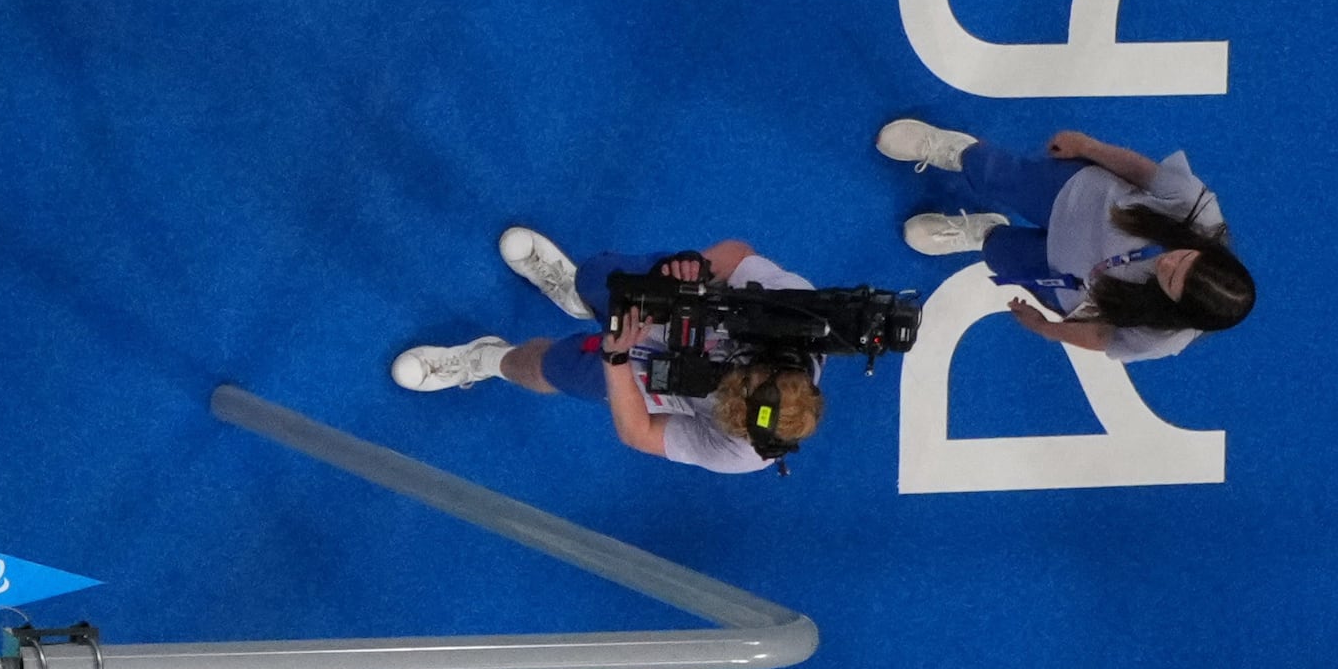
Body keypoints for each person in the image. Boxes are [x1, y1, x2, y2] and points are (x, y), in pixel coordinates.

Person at [390, 226, 823, 471]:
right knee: (596, 275)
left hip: (640, 376)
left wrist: (616, 358)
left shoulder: (740, 452)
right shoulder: (797, 313)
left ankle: (486, 358)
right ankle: (578, 297)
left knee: (553, 367)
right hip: (671, 297)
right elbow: (738, 253)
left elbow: (641, 433)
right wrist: (695, 271)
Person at [877, 118, 1252, 357]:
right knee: (1001, 174)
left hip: (1066, 280)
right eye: (1186, 258)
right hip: (1075, 197)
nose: (1170, 262)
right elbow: (1143, 172)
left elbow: (1105, 337)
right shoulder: (1196, 210)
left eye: (1171, 279)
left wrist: (1047, 327)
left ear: (1177, 309)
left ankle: (979, 232)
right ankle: (953, 149)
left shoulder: (1164, 335)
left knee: (999, 253)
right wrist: (1088, 147)